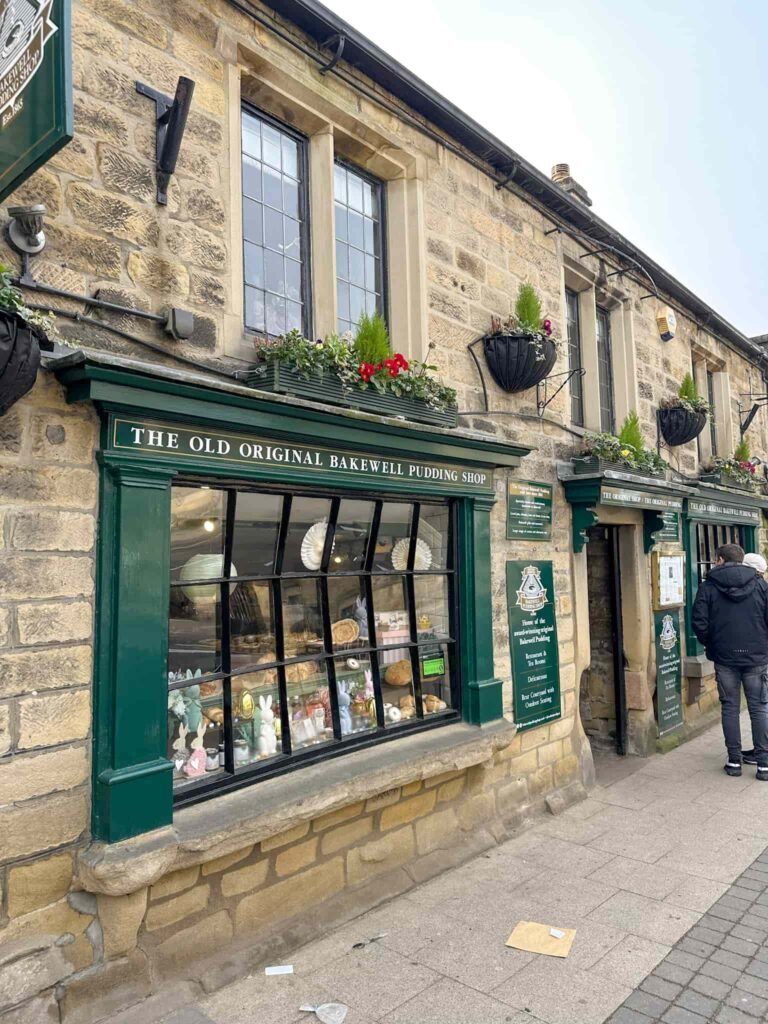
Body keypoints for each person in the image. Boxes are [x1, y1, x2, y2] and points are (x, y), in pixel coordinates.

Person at [692, 543, 768, 779]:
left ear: (721, 560)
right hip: (756, 656)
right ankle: (764, 764)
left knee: (730, 708)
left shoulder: (708, 587)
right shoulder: (760, 585)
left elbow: (699, 621)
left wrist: (712, 644)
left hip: (725, 657)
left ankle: (734, 761)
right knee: (759, 708)